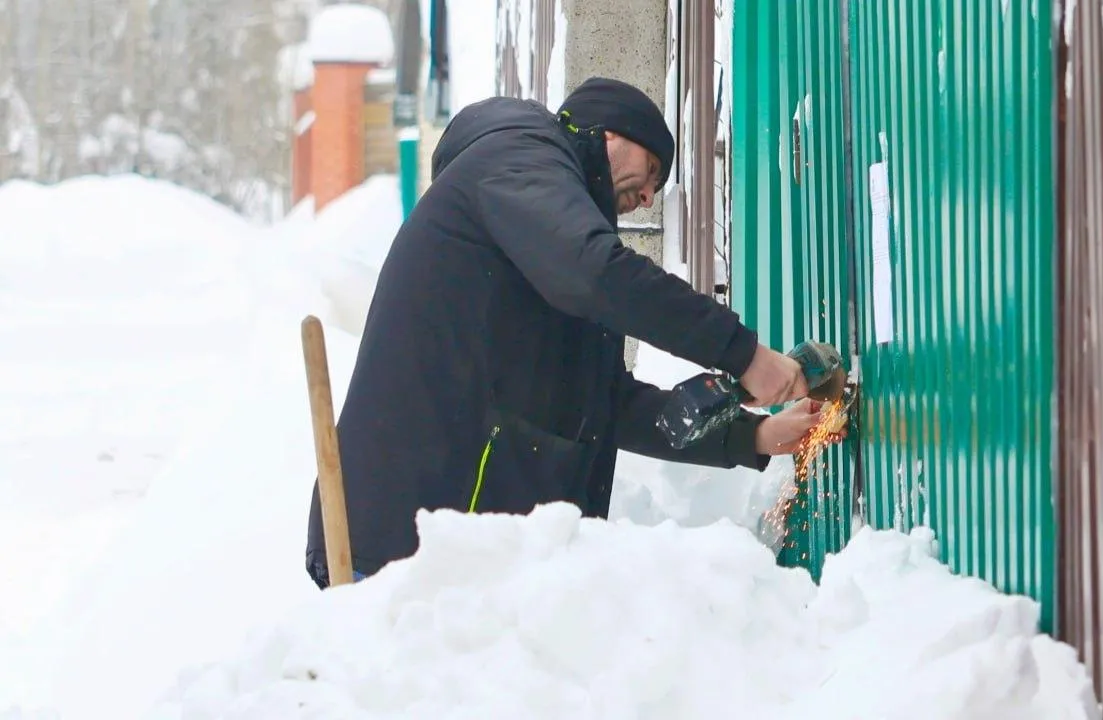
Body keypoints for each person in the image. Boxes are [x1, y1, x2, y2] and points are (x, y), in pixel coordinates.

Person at [305, 77, 829, 588]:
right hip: (406, 546)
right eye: (650, 171)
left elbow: (604, 403)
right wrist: (743, 355)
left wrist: (751, 436)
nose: (648, 197)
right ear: (610, 135)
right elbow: (595, 272)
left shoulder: (548, 237)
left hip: (465, 560)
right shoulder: (520, 159)